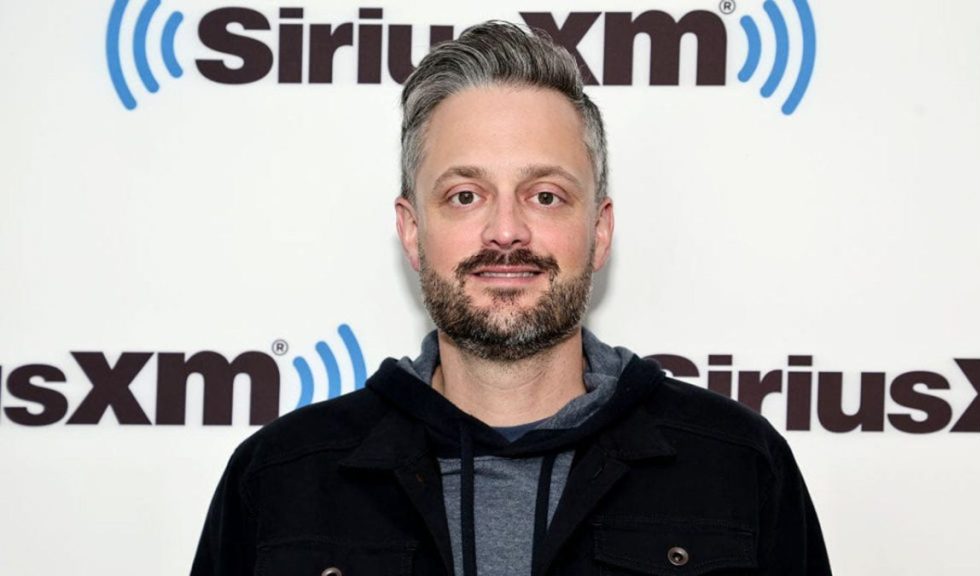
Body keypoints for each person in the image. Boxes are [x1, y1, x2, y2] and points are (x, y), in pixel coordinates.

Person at [190, 21, 832, 576]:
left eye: (545, 195)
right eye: (465, 195)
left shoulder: (737, 465)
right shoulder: (280, 478)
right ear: (412, 231)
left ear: (599, 230)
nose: (506, 231)